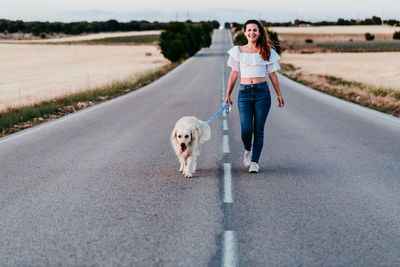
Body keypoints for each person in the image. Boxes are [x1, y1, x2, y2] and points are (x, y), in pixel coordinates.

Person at [224, 19, 285, 173]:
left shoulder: (267, 51)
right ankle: (247, 150)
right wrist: (227, 94)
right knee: (246, 129)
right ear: (244, 32)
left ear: (259, 33)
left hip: (262, 93)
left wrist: (279, 94)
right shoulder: (237, 51)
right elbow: (234, 74)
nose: (252, 33)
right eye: (249, 30)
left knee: (259, 129)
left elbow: (273, 74)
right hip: (244, 93)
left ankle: (255, 162)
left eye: (255, 30)